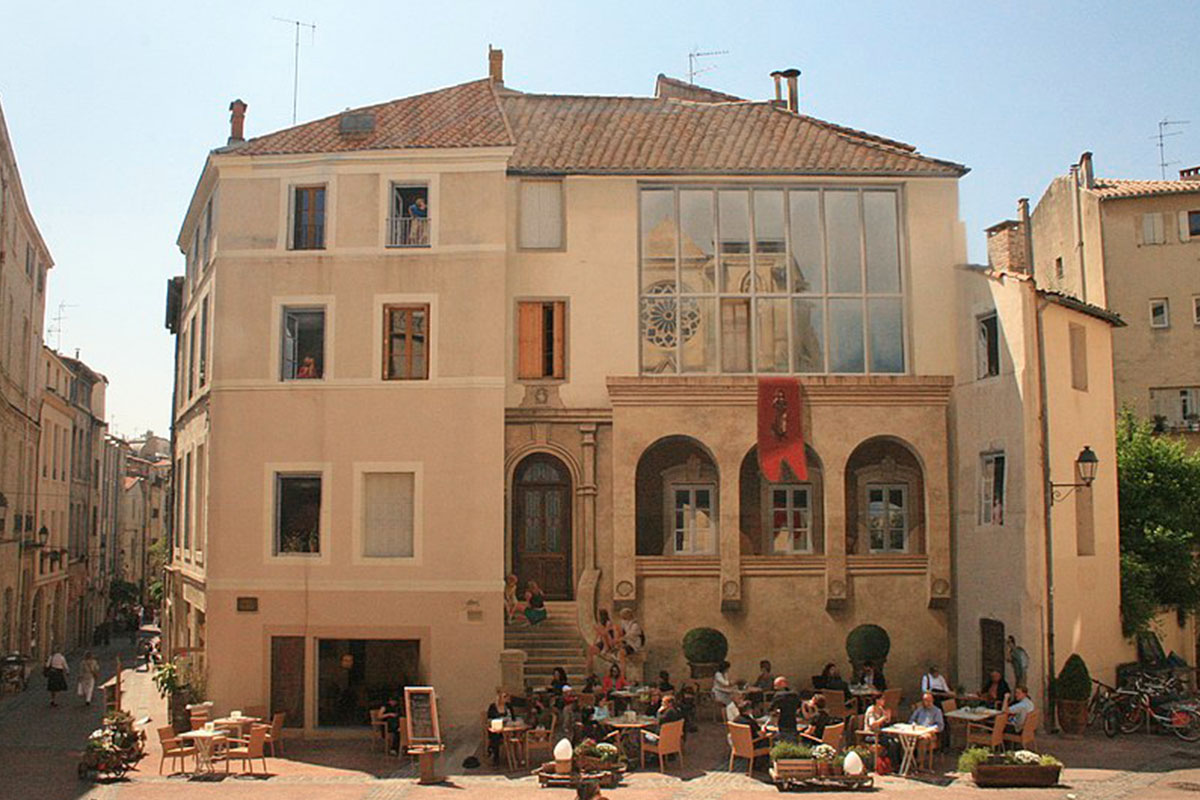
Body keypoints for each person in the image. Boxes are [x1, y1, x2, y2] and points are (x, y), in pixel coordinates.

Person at [485, 689, 517, 767]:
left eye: (507, 696)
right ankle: (496, 758)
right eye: (504, 696)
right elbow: (489, 720)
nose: (506, 698)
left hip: (508, 729)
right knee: (495, 737)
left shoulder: (508, 707)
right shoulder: (493, 707)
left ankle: (516, 758)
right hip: (496, 729)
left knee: (518, 736)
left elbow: (513, 718)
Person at [769, 676, 803, 742]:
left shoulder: (778, 695)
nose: (775, 688)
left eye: (776, 685)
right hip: (793, 722)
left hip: (782, 722)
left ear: (782, 684)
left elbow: (771, 709)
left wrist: (776, 712)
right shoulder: (795, 694)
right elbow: (799, 707)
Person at [616, 608, 644, 672]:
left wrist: (621, 639)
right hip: (628, 642)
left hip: (634, 644)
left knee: (621, 653)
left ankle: (623, 673)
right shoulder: (626, 623)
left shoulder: (635, 625)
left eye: (624, 617)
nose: (623, 619)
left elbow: (629, 636)